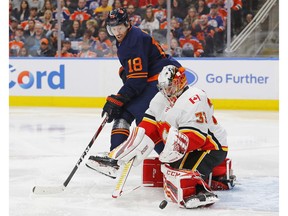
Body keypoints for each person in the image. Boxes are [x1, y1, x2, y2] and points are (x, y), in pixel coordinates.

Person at [104, 65, 235, 208]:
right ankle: (216, 175)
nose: (167, 91)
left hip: (210, 147)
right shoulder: (160, 98)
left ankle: (201, 192)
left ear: (181, 82)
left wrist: (170, 153)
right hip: (188, 148)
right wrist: (136, 144)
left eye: (170, 86)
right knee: (170, 171)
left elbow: (196, 138)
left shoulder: (194, 98)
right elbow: (149, 125)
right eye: (164, 87)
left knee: (181, 174)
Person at [86, 7, 182, 177]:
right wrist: (125, 75)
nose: (117, 32)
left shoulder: (132, 41)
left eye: (120, 28)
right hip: (158, 77)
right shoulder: (128, 37)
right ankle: (170, 162)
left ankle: (115, 159)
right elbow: (137, 72)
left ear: (127, 24)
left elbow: (137, 81)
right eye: (113, 29)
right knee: (135, 116)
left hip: (164, 79)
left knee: (135, 114)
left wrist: (118, 99)